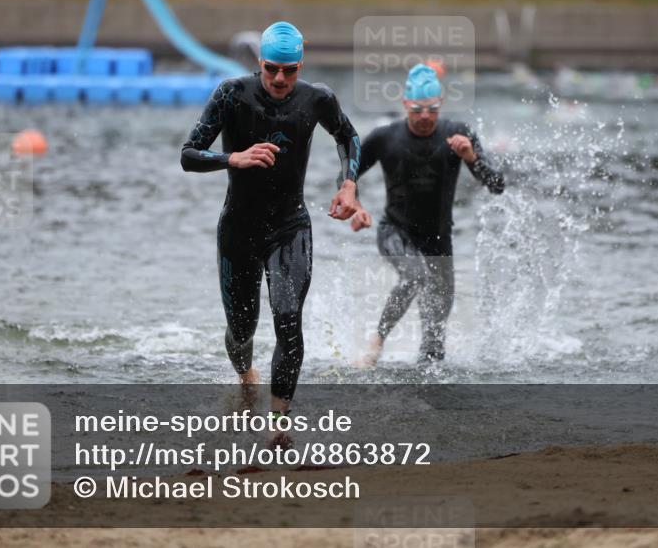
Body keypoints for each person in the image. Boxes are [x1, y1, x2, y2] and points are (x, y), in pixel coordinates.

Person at [181, 21, 365, 415]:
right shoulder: (232, 94)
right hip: (239, 228)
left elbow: (348, 137)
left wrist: (349, 184)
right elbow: (189, 154)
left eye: (290, 70)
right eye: (271, 69)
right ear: (260, 63)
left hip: (290, 226)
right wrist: (233, 157)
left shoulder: (318, 98)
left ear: (301, 65)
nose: (280, 79)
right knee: (241, 329)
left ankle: (279, 418)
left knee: (288, 318)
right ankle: (246, 375)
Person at [351, 63, 505, 365]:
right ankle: (376, 343)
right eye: (417, 109)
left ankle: (428, 387)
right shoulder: (384, 137)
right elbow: (347, 175)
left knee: (434, 348)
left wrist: (471, 157)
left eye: (432, 109)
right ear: (405, 104)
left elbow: (497, 185)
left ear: (441, 104)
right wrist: (355, 206)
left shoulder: (459, 135)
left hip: (439, 240)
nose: (425, 116)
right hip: (395, 231)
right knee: (414, 276)